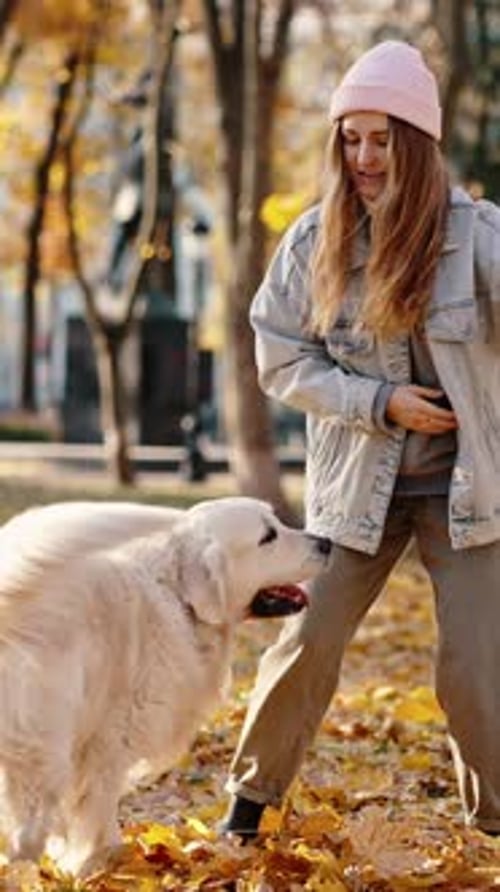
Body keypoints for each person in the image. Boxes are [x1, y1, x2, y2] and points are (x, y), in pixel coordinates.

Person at [221, 40, 500, 839]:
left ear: (416, 144)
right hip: (357, 490)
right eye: (352, 137)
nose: (365, 157)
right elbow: (280, 357)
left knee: (478, 671)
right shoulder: (315, 241)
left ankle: (497, 826)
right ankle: (247, 810)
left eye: (383, 138)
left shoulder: (479, 238)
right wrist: (378, 402)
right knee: (305, 644)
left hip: (468, 493)